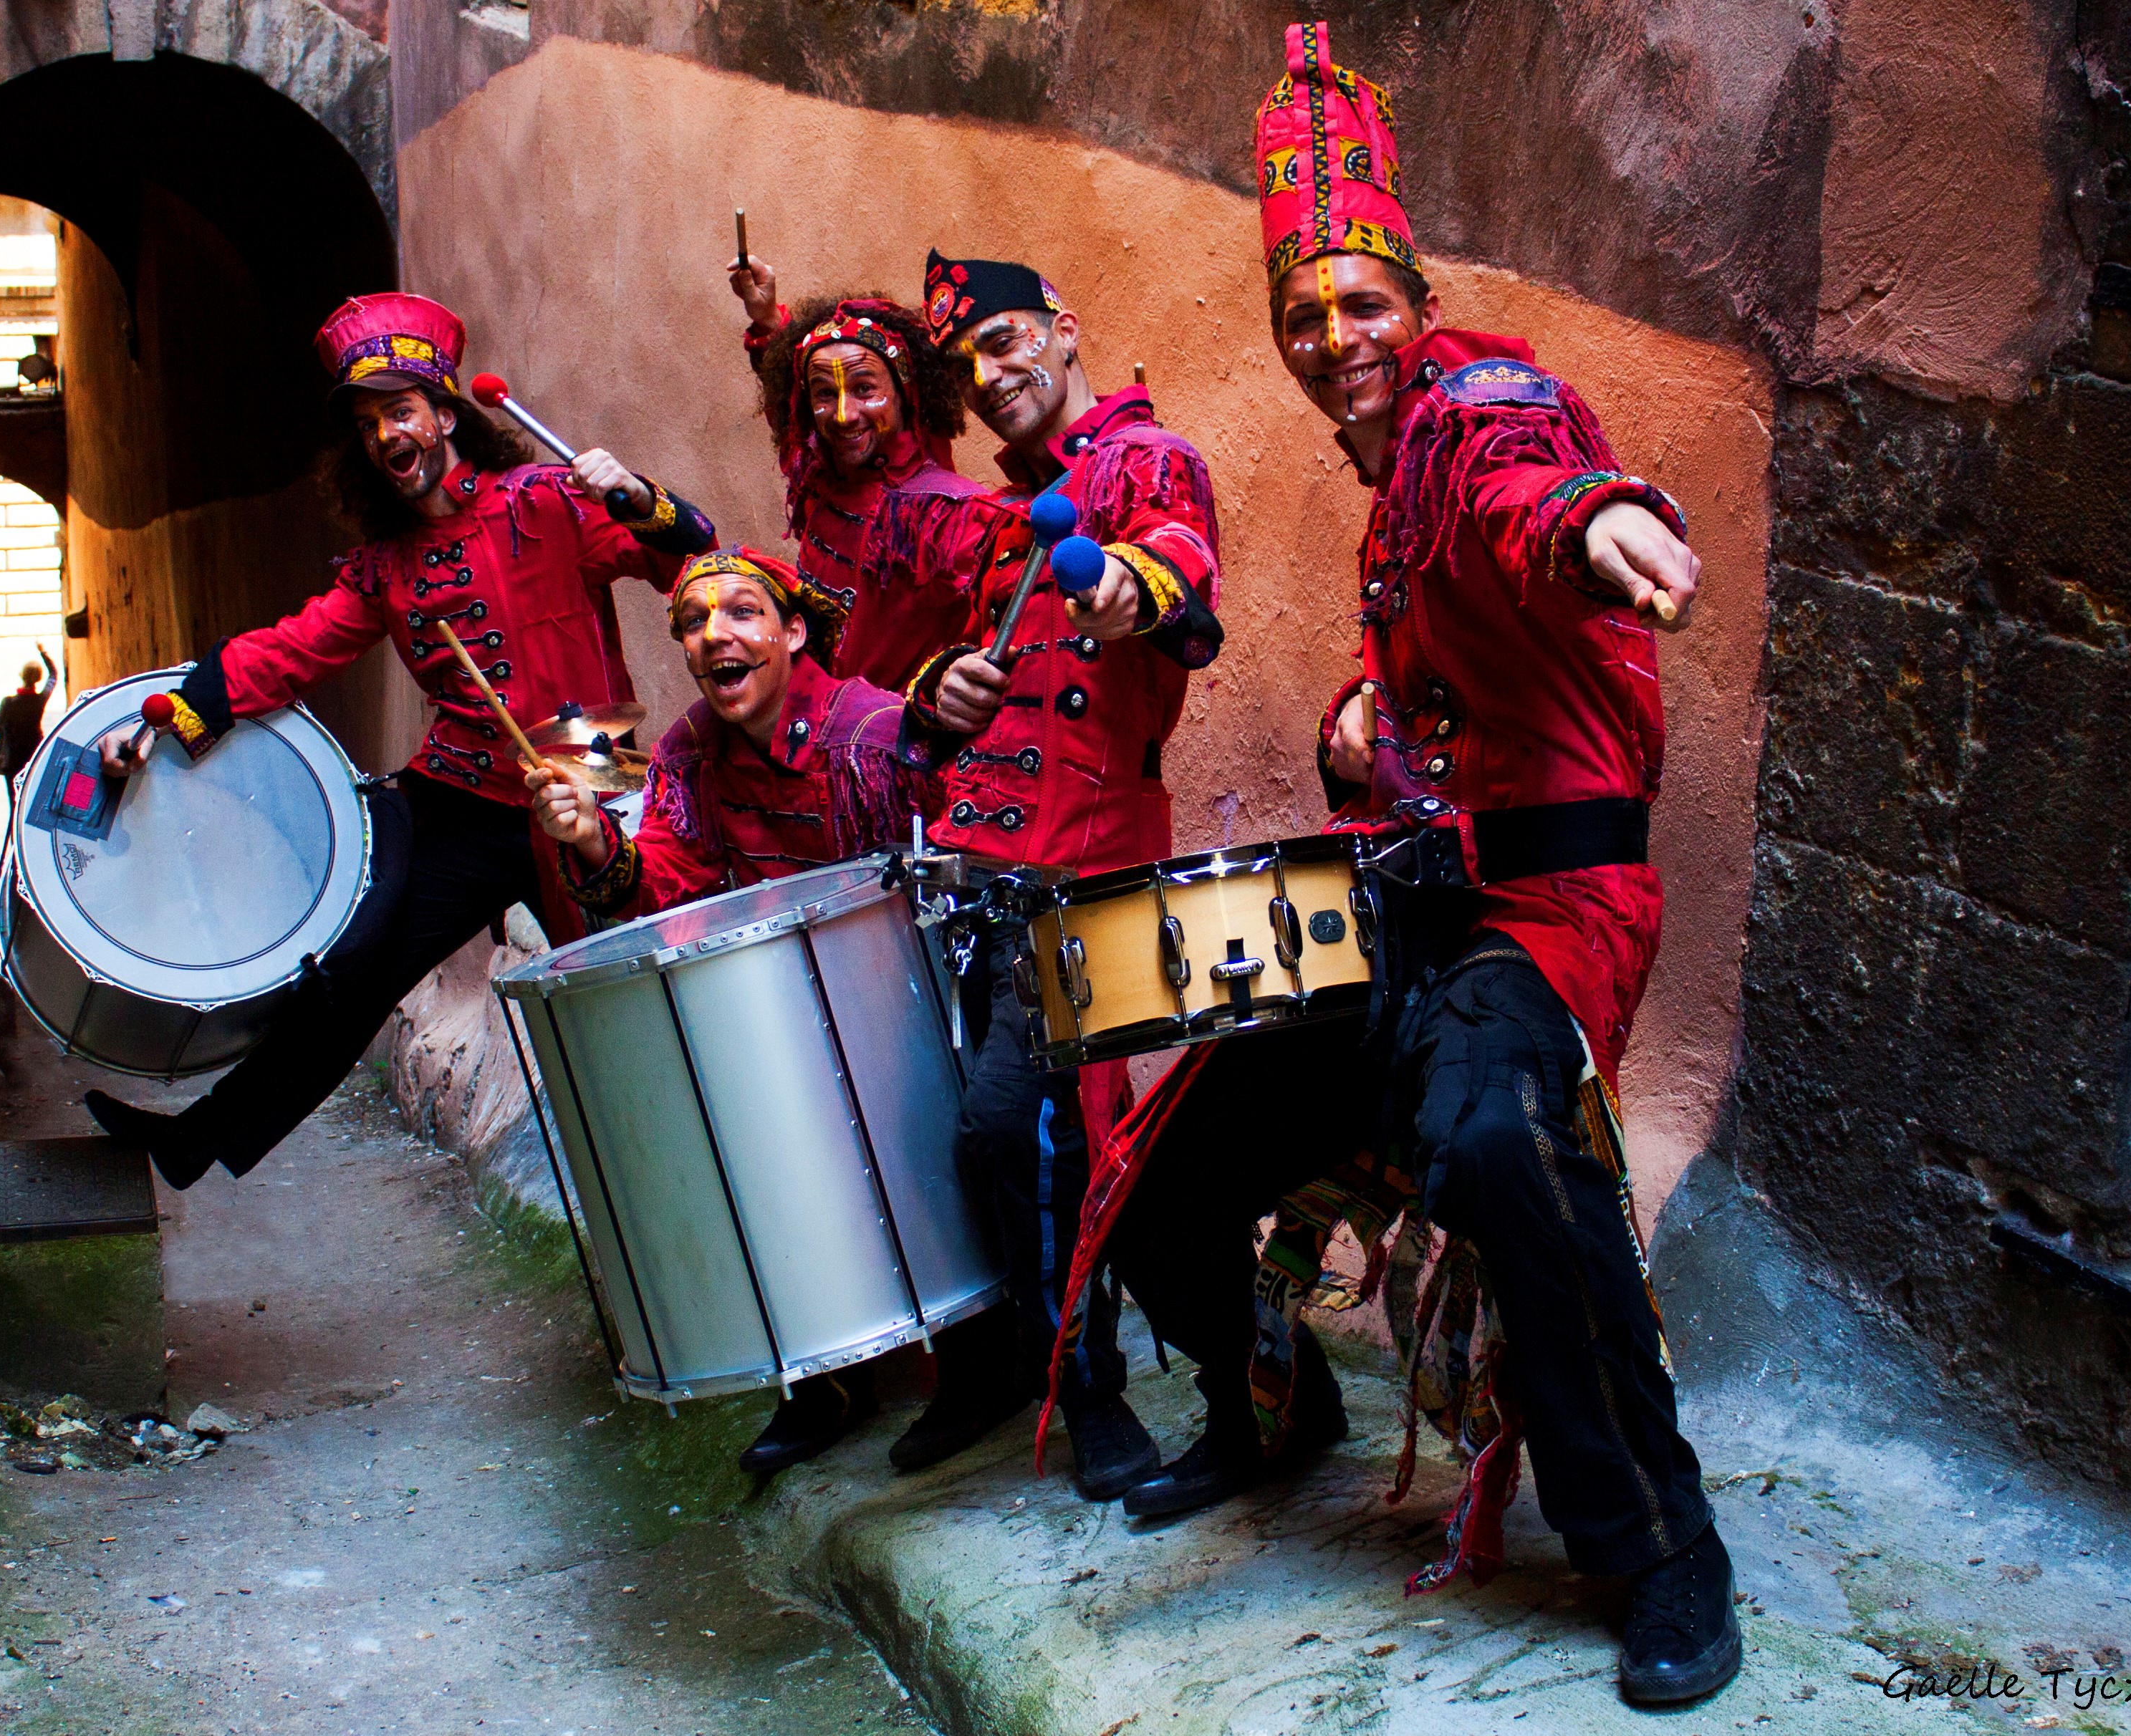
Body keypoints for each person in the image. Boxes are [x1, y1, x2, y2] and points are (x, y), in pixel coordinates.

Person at [1088, 24, 1738, 1708]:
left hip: (1555, 914)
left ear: (1416, 300)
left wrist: (1600, 526)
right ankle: (1268, 1408)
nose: (1331, 341)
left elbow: (1527, 489)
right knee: (1176, 1149)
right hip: (1428, 907)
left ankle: (1656, 1546)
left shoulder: (1475, 408)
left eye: (1359, 305)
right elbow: (1444, 684)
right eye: (1304, 317)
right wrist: (1360, 726)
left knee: (1498, 1145)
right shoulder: (1386, 495)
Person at [81, 292, 718, 1190]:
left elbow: (685, 557)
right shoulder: (385, 569)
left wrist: (639, 496)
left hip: (586, 778)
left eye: (401, 410)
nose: (385, 434)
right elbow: (291, 649)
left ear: (447, 414)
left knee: (618, 991)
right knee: (348, 974)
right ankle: (198, 1141)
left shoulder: (545, 503)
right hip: (457, 802)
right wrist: (169, 717)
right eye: (370, 422)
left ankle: (685, 1189)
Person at [887, 251, 1225, 1502]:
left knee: (1035, 1135)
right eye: (969, 363)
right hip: (984, 871)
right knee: (1005, 1139)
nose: (990, 376)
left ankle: (1089, 1390)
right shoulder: (996, 521)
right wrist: (940, 691)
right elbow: (955, 686)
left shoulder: (1148, 462)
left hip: (1093, 860)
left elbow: (1184, 596)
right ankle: (1050, 1369)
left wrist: (1110, 581)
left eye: (1007, 340)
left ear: (1067, 331)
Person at [535, 546, 945, 1472]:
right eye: (692, 621)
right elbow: (671, 881)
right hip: (781, 1016)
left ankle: (972, 1363)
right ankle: (813, 1376)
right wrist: (596, 836)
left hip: (901, 1001)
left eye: (743, 613)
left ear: (794, 633)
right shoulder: (685, 749)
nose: (714, 634)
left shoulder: (873, 731)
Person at [726, 259, 996, 692]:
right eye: (824, 394)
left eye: (865, 389)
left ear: (905, 393)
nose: (843, 415)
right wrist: (769, 325)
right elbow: (790, 427)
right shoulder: (820, 473)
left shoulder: (949, 511)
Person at [0, 643, 57, 804]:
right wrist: (43, 653)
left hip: (11, 757)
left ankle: (13, 828)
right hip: (34, 753)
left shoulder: (8, 703)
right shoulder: (40, 700)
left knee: (15, 801)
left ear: (22, 676)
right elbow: (53, 676)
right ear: (38, 678)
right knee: (31, 797)